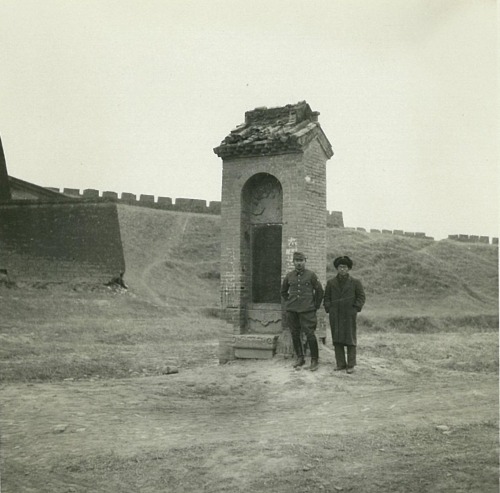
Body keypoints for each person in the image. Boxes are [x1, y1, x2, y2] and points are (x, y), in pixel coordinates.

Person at [281, 252, 324, 371]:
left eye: (301, 260)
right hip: (292, 310)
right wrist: (290, 302)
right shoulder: (289, 276)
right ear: (293, 262)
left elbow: (320, 291)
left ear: (305, 261)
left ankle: (314, 359)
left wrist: (315, 305)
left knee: (310, 334)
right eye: (296, 260)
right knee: (295, 333)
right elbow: (283, 291)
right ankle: (300, 358)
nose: (299, 263)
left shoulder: (311, 275)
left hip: (307, 310)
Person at [324, 256, 365, 374]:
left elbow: (361, 297)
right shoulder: (331, 283)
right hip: (335, 315)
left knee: (350, 339)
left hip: (349, 315)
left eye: (345, 267)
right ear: (337, 268)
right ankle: (340, 364)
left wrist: (355, 309)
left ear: (349, 268)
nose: (342, 269)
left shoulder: (356, 282)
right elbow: (326, 298)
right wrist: (329, 309)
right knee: (337, 339)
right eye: (340, 267)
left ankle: (351, 365)